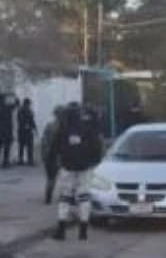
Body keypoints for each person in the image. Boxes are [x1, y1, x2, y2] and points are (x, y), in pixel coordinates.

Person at [46, 102, 103, 241]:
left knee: (65, 198)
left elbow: (53, 149)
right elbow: (96, 146)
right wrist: (94, 161)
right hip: (85, 168)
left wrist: (51, 163)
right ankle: (83, 231)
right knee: (84, 197)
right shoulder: (88, 128)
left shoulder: (63, 130)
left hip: (67, 167)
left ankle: (61, 230)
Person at [40, 105, 64, 204]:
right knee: (64, 177)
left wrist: (44, 155)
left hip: (49, 155)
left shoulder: (49, 126)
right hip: (60, 155)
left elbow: (44, 141)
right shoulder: (65, 127)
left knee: (51, 178)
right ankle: (64, 197)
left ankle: (48, 197)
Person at [0, 94, 17, 168]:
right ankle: (4, 162)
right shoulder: (6, 107)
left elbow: (15, 104)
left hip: (1, 130)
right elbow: (16, 104)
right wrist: (14, 96)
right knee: (5, 147)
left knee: (0, 147)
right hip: (6, 130)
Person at [17, 98, 38, 166]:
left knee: (29, 146)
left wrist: (35, 129)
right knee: (22, 146)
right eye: (28, 104)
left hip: (28, 131)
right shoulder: (21, 111)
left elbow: (32, 121)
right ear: (25, 104)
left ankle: (30, 160)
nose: (28, 106)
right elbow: (20, 120)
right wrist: (26, 125)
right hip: (23, 131)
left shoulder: (29, 111)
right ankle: (21, 160)